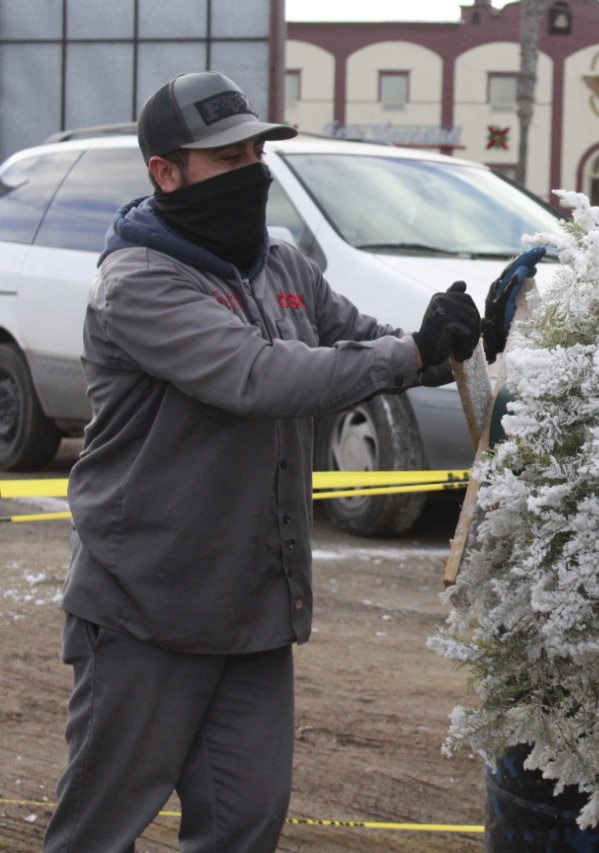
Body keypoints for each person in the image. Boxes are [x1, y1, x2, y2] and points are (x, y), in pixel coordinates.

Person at [43, 70, 496, 852]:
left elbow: (353, 334)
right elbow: (257, 377)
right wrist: (407, 353)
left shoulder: (280, 262)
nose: (252, 169)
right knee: (101, 828)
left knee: (246, 821)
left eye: (256, 150)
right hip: (145, 606)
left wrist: (442, 342)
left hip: (250, 607)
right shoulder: (139, 282)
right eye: (228, 156)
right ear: (166, 172)